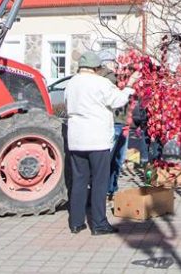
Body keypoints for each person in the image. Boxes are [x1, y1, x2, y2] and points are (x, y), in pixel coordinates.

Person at [65, 51, 140, 236]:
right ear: (96, 68)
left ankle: (76, 222)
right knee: (99, 181)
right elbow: (117, 101)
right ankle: (98, 223)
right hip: (96, 138)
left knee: (79, 180)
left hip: (76, 138)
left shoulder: (71, 83)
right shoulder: (101, 83)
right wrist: (130, 86)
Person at [102, 60, 130, 199]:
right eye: (113, 64)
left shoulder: (117, 78)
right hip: (114, 124)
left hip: (122, 124)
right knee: (110, 159)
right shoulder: (108, 79)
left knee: (117, 160)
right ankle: (106, 190)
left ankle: (111, 189)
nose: (117, 66)